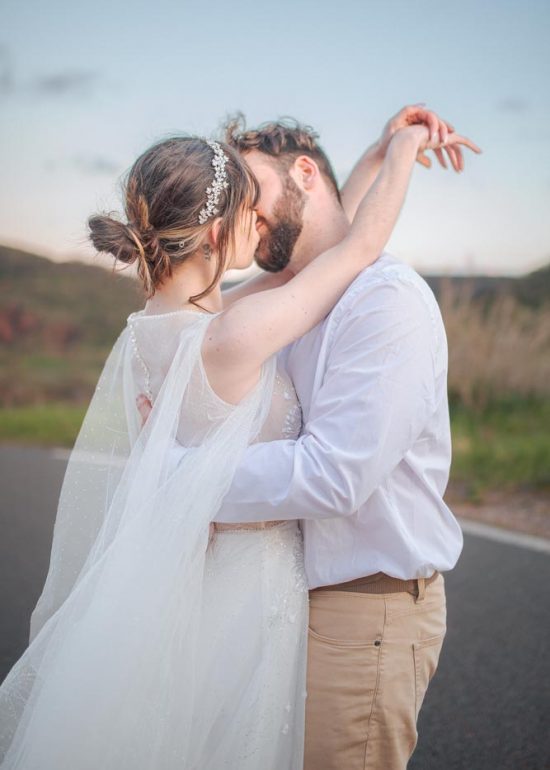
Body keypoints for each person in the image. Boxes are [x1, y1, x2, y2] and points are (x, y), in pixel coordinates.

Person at [0, 113, 476, 769]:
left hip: (264, 598)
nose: (258, 215)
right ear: (219, 229)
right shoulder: (235, 329)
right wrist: (403, 149)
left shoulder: (174, 324)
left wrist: (368, 158)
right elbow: (354, 247)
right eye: (244, 202)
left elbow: (323, 247)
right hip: (252, 598)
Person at [200, 108, 481, 770]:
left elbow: (333, 474)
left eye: (251, 189)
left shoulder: (387, 302)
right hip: (288, 603)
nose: (246, 213)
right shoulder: (300, 294)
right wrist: (384, 149)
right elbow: (333, 224)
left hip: (366, 617)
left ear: (302, 172)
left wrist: (189, 478)